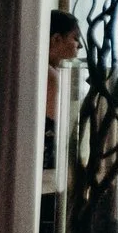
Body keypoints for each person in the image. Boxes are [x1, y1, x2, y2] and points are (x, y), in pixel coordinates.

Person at [45, 10, 81, 170]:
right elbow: (68, 125)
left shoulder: (55, 73)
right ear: (57, 39)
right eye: (75, 38)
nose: (79, 46)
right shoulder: (50, 76)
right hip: (51, 164)